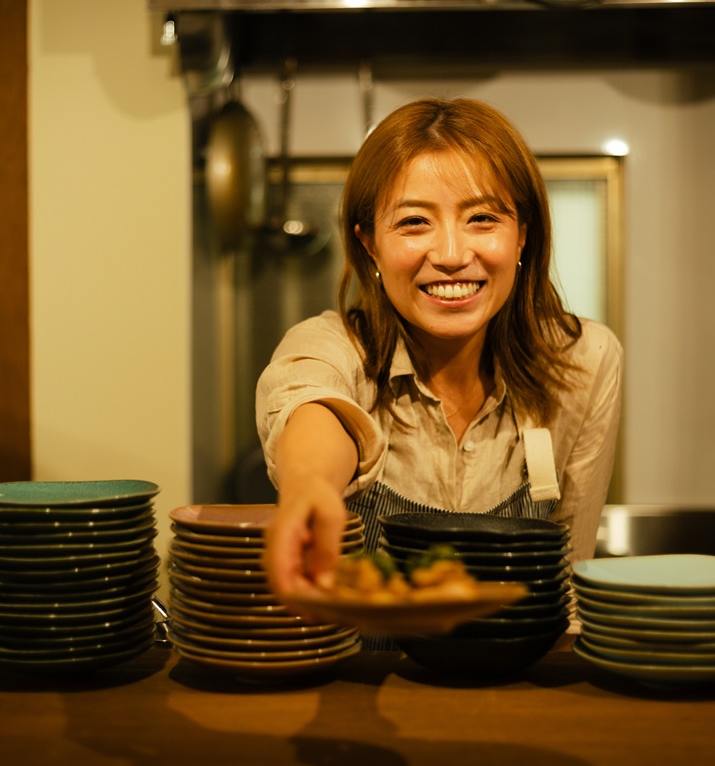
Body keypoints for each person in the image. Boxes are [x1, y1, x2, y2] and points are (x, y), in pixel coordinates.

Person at [256, 97, 623, 612]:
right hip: (362, 685)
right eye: (413, 223)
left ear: (522, 233)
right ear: (369, 245)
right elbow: (310, 402)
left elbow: (565, 584)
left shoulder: (584, 360)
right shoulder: (332, 345)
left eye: (481, 217)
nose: (451, 255)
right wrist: (309, 487)